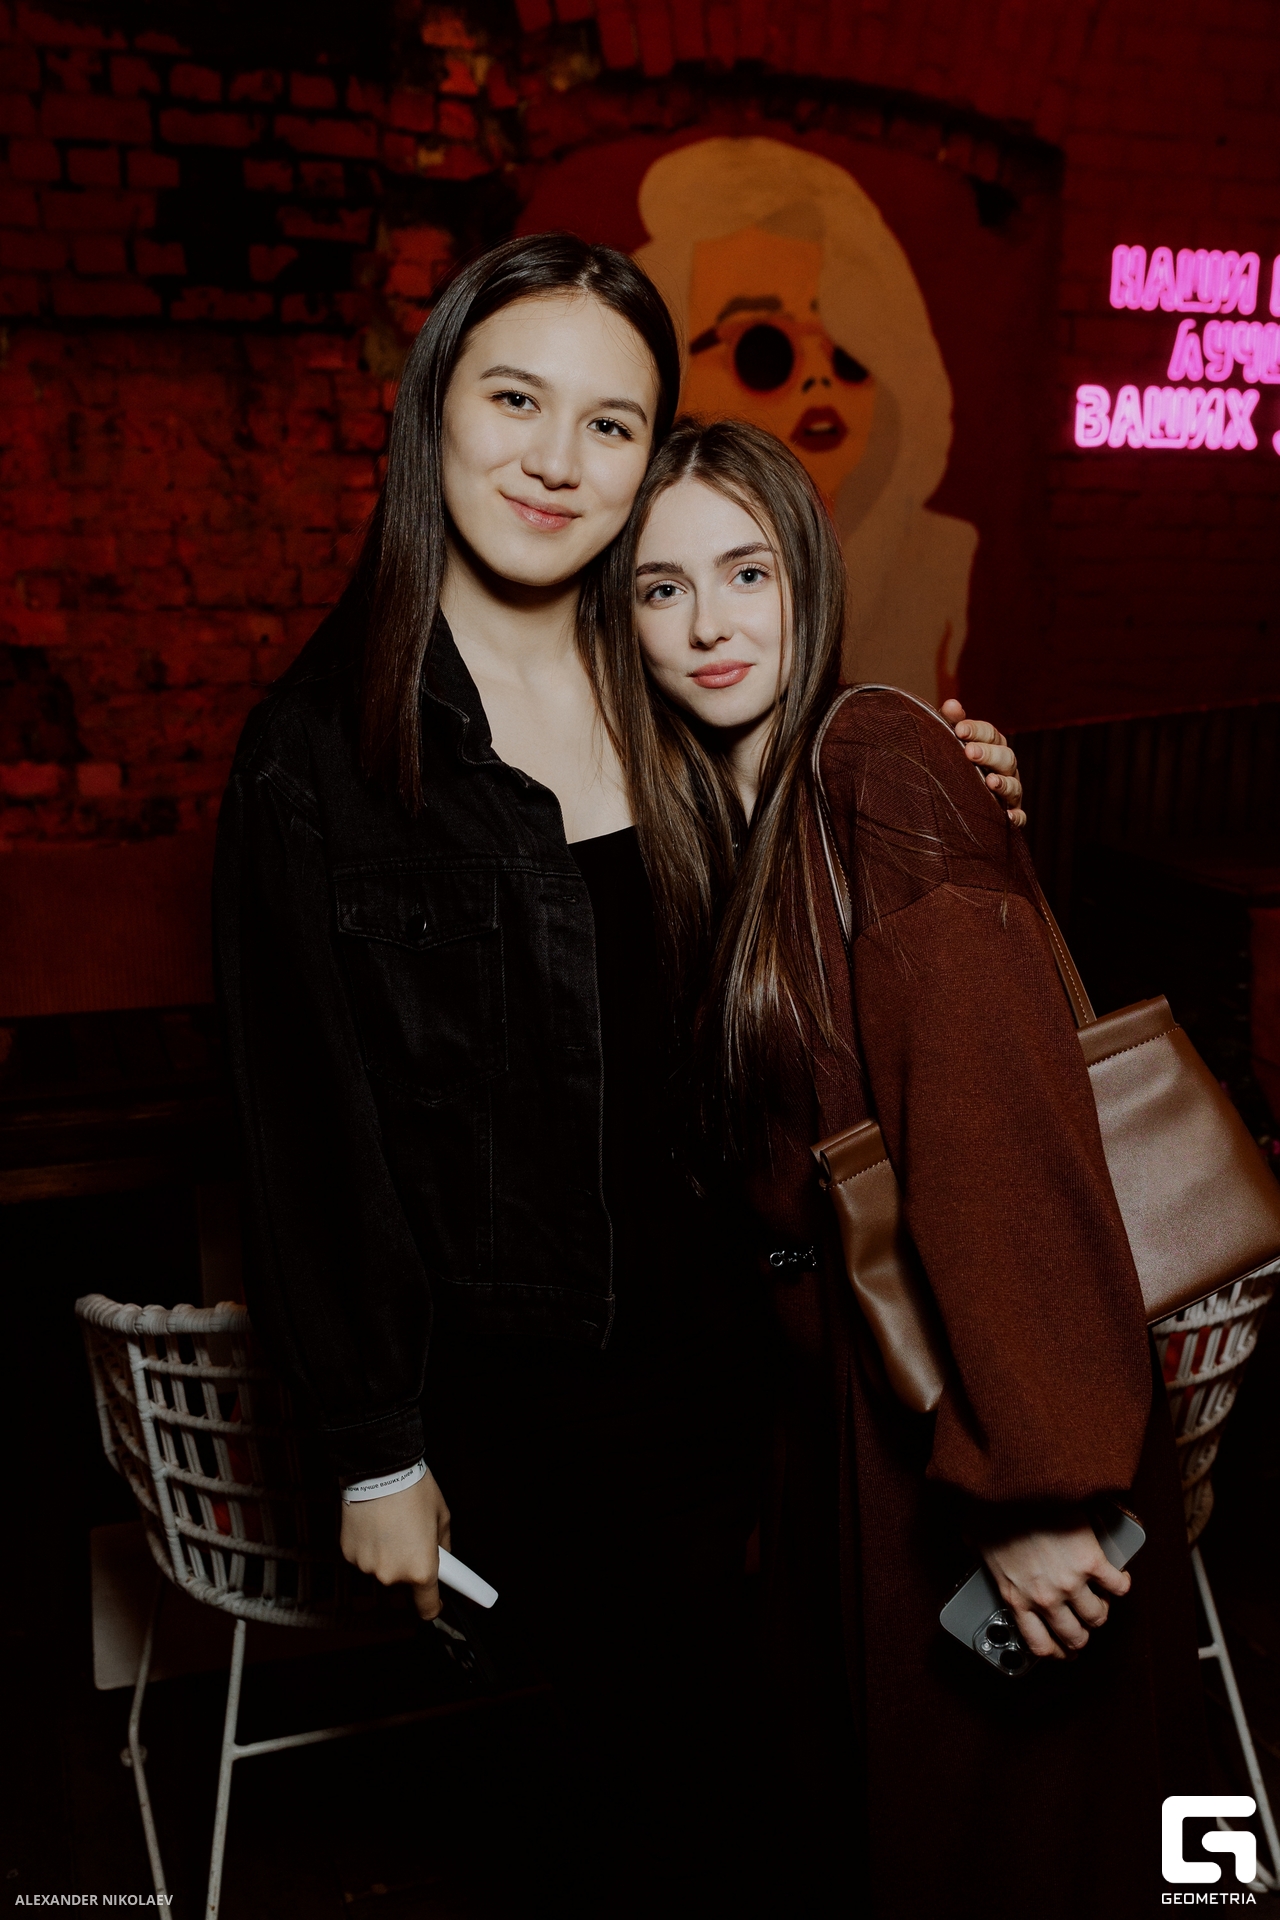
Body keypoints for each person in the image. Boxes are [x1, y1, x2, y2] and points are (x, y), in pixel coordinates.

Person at [212, 233, 1022, 1910]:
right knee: (687, 1816)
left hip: (770, 1353)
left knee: (826, 1774)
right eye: (516, 400)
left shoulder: (660, 670)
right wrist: (375, 1450)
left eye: (611, 424)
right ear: (435, 406)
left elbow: (810, 892)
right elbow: (308, 1138)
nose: (557, 461)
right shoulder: (318, 755)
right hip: (540, 1407)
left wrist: (950, 785)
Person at [606, 415, 1206, 1917]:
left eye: (746, 571)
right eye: (663, 589)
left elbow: (997, 1116)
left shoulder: (873, 754)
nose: (710, 623)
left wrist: (1036, 1485)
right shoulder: (723, 821)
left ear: (809, 575)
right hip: (856, 1430)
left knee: (1024, 1853)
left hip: (976, 1430)